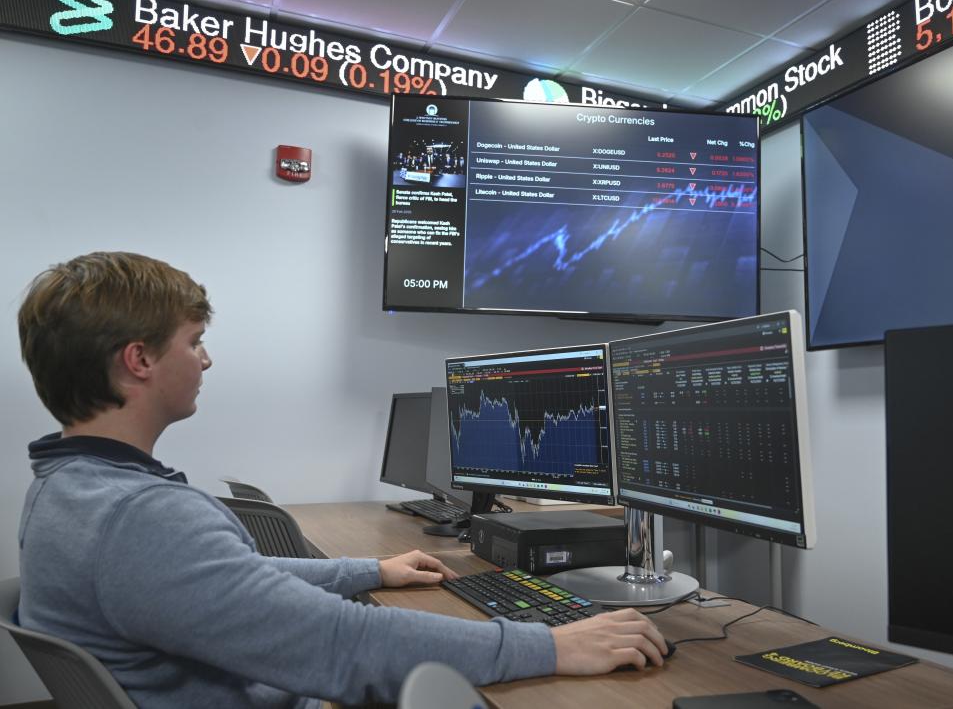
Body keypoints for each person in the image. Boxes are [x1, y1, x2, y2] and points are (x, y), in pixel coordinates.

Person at [15, 252, 668, 708]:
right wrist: (550, 645)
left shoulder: (67, 487)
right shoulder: (141, 517)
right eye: (193, 342)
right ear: (139, 360)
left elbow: (231, 583)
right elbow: (340, 644)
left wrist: (367, 571)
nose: (206, 358)